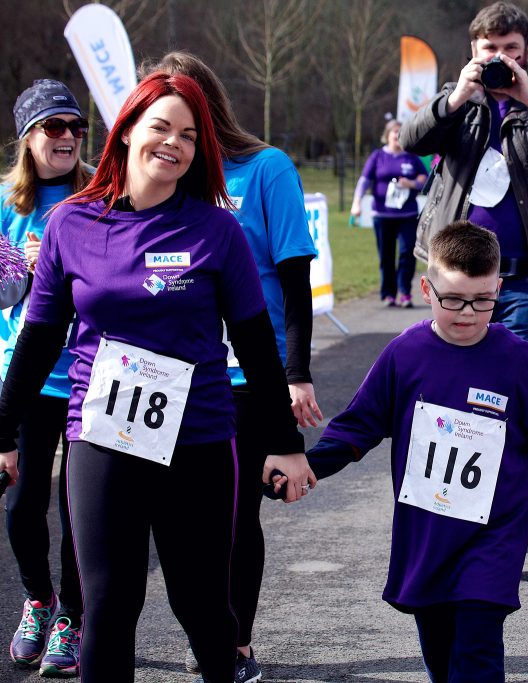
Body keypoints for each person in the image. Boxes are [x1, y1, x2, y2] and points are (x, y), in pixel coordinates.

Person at [0, 72, 315, 683]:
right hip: (102, 436)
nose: (174, 143)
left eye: (189, 136)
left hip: (198, 439)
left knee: (202, 606)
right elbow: (37, 339)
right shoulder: (70, 223)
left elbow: (255, 346)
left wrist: (285, 442)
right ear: (126, 132)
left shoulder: (216, 230)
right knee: (108, 605)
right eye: (161, 127)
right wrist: (3, 429)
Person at [278, 221, 528, 683]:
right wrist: (307, 466)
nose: (468, 313)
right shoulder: (404, 354)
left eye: (482, 300)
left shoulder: (515, 358)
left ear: (498, 289)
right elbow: (357, 428)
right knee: (440, 651)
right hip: (427, 533)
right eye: (453, 299)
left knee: (476, 651)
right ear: (426, 289)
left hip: (494, 535)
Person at [150, 50, 323, 683]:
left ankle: (235, 645)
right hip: (170, 378)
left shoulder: (266, 168)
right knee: (177, 523)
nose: (172, 134)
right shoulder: (163, 179)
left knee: (233, 517)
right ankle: (204, 630)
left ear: (207, 108)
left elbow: (296, 282)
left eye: (185, 118)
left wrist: (295, 374)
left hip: (250, 377)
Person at [399, 0, 528, 371]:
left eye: (511, 48)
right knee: (455, 378)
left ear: (527, 52)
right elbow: (411, 140)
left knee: (519, 381)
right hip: (458, 275)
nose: (501, 57)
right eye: (491, 47)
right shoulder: (456, 100)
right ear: (474, 50)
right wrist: (456, 99)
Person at [1, 78, 90, 677]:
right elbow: (1, 291)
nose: (67, 137)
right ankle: (39, 600)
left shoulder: (101, 194)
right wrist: (28, 270)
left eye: (75, 127)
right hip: (27, 378)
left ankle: (73, 618)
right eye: (54, 127)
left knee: (80, 507)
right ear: (28, 137)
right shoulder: (7, 205)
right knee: (22, 504)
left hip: (89, 374)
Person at [351, 120, 428, 308]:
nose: (397, 135)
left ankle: (405, 292)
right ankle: (388, 294)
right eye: (395, 132)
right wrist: (356, 203)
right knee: (386, 256)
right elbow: (364, 180)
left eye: (401, 132)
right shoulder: (378, 156)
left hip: (407, 216)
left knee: (407, 253)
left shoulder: (411, 157)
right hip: (382, 215)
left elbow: (425, 180)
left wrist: (411, 183)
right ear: (387, 135)